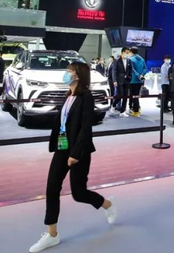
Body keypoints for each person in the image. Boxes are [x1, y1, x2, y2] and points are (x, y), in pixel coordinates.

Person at [29, 62, 116, 253]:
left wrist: (76, 153)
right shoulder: (68, 95)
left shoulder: (86, 97)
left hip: (79, 151)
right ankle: (52, 234)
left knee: (79, 193)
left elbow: (86, 127)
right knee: (52, 188)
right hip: (62, 147)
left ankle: (107, 204)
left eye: (69, 71)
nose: (66, 74)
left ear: (78, 75)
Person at [127, 47, 147, 117]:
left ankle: (136, 110)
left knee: (134, 96)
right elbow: (145, 68)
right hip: (140, 81)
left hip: (133, 80)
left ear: (131, 51)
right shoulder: (142, 59)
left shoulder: (130, 59)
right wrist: (142, 75)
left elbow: (132, 69)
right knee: (137, 95)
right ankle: (136, 108)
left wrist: (138, 75)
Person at [112, 47, 132, 116]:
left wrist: (130, 77)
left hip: (127, 80)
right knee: (120, 95)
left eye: (128, 53)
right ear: (122, 52)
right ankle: (113, 104)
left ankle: (122, 111)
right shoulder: (116, 60)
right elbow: (114, 71)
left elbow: (130, 70)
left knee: (126, 96)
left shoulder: (129, 60)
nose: (127, 54)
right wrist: (115, 80)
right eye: (126, 52)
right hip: (119, 80)